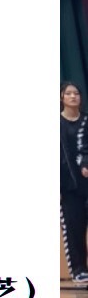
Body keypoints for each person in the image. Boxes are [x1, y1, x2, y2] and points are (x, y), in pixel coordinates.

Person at [61, 81, 88, 284]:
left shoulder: (86, 121)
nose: (73, 96)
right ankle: (79, 269)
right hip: (69, 187)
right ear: (62, 97)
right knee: (74, 228)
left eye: (76, 93)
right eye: (69, 93)